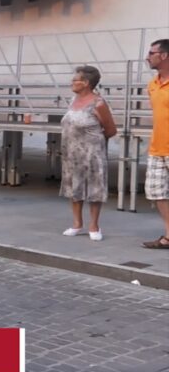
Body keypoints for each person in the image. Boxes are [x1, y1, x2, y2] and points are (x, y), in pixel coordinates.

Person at [58, 66, 117, 241]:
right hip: (72, 153)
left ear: (86, 83)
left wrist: (93, 141)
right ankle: (77, 223)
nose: (72, 83)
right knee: (74, 187)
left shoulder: (98, 103)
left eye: (75, 80)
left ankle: (94, 225)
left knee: (94, 188)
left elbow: (111, 129)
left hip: (92, 153)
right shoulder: (73, 100)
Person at [144, 39, 169, 249]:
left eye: (151, 53)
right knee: (156, 192)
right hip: (157, 148)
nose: (147, 57)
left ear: (164, 56)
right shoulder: (152, 84)